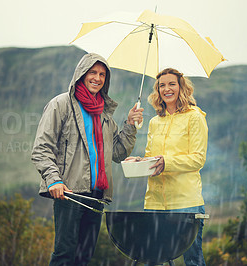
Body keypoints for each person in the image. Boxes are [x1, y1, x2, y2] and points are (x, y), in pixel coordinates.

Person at [31, 53, 143, 266]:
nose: (97, 78)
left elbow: (118, 153)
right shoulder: (61, 104)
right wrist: (53, 180)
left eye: (102, 74)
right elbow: (42, 148)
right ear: (81, 74)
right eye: (93, 72)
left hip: (96, 196)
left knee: (84, 258)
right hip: (69, 193)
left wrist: (129, 125)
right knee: (65, 255)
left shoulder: (104, 114)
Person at [143, 68, 208, 265]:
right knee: (153, 259)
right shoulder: (154, 121)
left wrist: (167, 163)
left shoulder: (194, 117)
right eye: (162, 85)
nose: (167, 89)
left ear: (181, 87)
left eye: (172, 84)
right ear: (157, 90)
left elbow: (198, 159)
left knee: (192, 260)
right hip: (154, 203)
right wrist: (139, 162)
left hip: (185, 202)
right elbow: (150, 156)